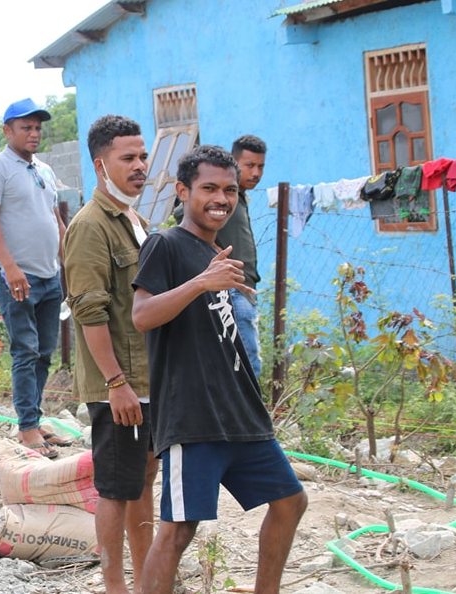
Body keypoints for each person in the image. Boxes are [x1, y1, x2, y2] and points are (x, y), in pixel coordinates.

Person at [131, 145, 307, 594]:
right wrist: (200, 283)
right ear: (182, 191)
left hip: (241, 415)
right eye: (209, 188)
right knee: (179, 530)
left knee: (290, 501)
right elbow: (142, 315)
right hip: (195, 418)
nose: (221, 198)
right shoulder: (166, 243)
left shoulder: (217, 252)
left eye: (229, 190)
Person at [63, 114, 158, 594]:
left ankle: (146, 581)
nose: (140, 165)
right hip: (118, 384)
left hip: (146, 378)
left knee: (143, 480)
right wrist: (116, 384)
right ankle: (115, 586)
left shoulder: (135, 222)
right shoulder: (89, 227)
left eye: (142, 156)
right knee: (116, 489)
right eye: (129, 158)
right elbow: (90, 311)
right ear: (102, 165)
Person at [0, 97, 68, 458]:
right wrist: (10, 267)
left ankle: (34, 420)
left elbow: (54, 219)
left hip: (48, 274)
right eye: (26, 127)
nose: (34, 133)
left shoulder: (42, 170)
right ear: (7, 131)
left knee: (44, 351)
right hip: (15, 275)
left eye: (37, 127)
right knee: (25, 350)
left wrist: (67, 262)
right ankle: (27, 428)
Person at [215, 134, 267, 378]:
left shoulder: (240, 198)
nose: (256, 172)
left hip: (245, 289)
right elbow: (184, 214)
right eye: (249, 165)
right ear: (235, 165)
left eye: (261, 166)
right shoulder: (223, 197)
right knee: (248, 368)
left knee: (244, 366)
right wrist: (215, 253)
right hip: (233, 291)